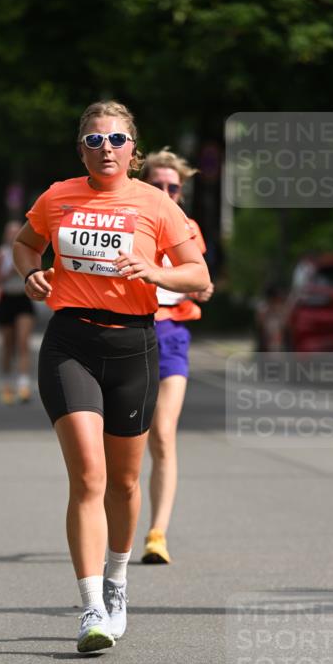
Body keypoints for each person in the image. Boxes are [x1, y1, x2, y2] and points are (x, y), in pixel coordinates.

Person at [13, 100, 210, 653]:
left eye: (117, 140)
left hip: (133, 346)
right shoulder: (58, 196)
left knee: (125, 483)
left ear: (133, 151)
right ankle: (92, 605)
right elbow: (25, 243)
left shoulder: (155, 204)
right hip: (70, 342)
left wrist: (155, 271)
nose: (106, 150)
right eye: (96, 141)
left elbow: (197, 273)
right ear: (81, 149)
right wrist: (30, 273)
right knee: (89, 477)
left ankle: (118, 581)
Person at [137, 149, 214, 565]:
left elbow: (199, 278)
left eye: (173, 187)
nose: (166, 192)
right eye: (157, 185)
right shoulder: (130, 223)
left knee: (163, 433)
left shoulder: (189, 228)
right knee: (126, 438)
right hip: (129, 332)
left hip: (172, 335)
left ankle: (157, 533)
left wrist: (202, 289)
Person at [0, 220, 36, 403]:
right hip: (6, 299)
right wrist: (7, 274)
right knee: (8, 345)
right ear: (5, 235)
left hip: (23, 300)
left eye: (17, 232)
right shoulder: (1, 254)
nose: (14, 235)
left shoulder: (28, 251)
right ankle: (7, 384)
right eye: (10, 232)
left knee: (23, 342)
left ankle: (23, 385)